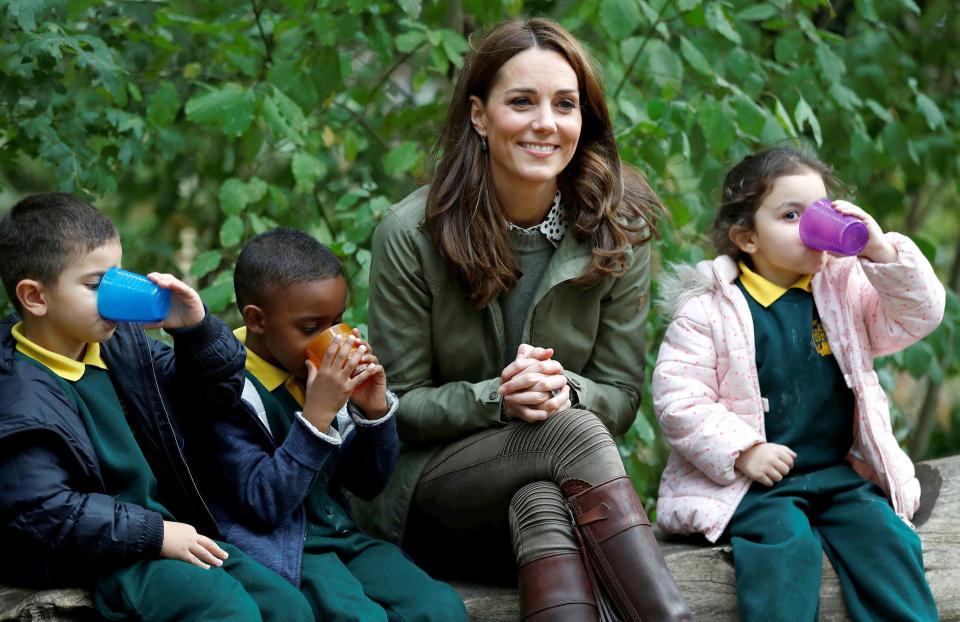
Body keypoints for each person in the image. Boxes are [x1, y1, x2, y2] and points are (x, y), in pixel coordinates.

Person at [353, 17, 692, 622]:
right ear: (480, 117)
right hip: (433, 494)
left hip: (546, 495)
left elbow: (618, 394)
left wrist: (566, 390)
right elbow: (395, 407)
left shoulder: (617, 229)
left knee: (542, 499)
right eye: (521, 102)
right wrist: (498, 399)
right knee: (576, 433)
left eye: (565, 104)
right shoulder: (411, 233)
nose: (545, 123)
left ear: (583, 118)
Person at [652, 147, 943, 621]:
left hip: (837, 473)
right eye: (791, 215)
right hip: (755, 484)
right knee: (786, 546)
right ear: (746, 236)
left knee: (886, 537)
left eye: (820, 212)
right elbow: (678, 399)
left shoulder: (844, 291)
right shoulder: (708, 311)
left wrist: (881, 251)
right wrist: (743, 450)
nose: (811, 226)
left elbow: (921, 315)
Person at [0, 194, 315, 621]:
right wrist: (157, 533)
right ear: (35, 297)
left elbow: (214, 396)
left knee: (287, 606)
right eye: (97, 285)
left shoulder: (121, 347)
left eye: (118, 276)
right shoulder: (20, 393)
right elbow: (45, 510)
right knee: (226, 611)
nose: (114, 294)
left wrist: (195, 330)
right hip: (106, 556)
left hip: (170, 531)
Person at [187, 228, 467, 621]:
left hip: (343, 537)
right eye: (310, 328)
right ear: (257, 320)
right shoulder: (226, 388)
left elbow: (368, 484)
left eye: (337, 321)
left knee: (440, 607)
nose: (332, 338)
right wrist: (316, 417)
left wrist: (372, 415)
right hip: (285, 548)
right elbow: (263, 505)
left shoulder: (316, 373)